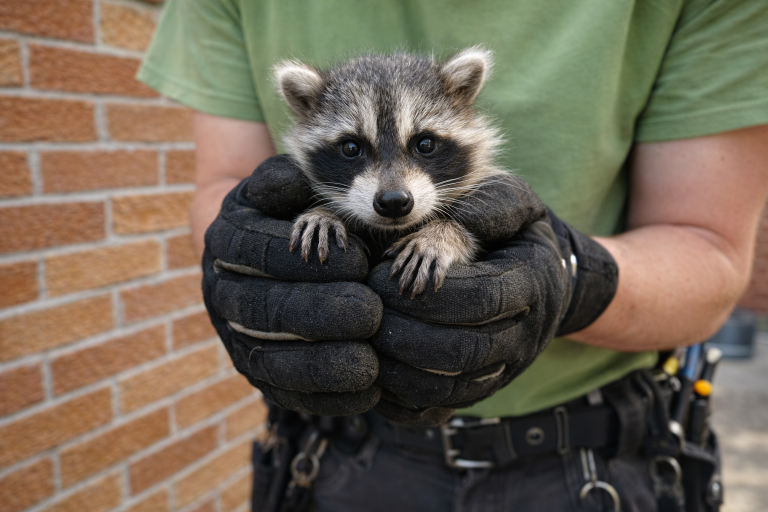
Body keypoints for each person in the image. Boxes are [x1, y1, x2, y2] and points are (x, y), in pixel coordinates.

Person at [137, 1, 768, 510]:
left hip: (591, 460)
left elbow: (710, 251)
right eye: (353, 150)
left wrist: (569, 276)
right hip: (340, 455)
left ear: (465, 108)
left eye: (426, 146)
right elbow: (223, 186)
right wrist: (259, 254)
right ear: (303, 119)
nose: (393, 187)